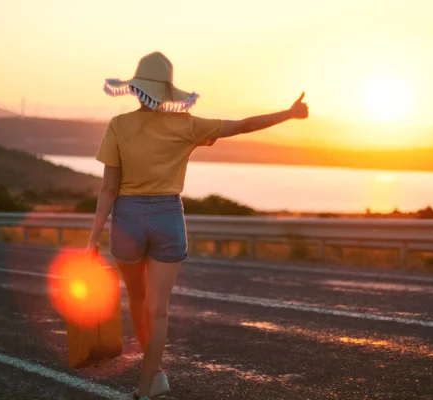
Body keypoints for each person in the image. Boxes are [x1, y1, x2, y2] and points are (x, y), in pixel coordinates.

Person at [85, 51, 308, 399]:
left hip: (126, 220)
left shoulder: (118, 125)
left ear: (137, 88)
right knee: (158, 310)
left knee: (139, 299)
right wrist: (290, 113)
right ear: (169, 90)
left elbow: (108, 188)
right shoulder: (187, 124)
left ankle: (154, 374)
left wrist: (93, 238)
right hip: (167, 218)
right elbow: (244, 125)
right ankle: (147, 386)